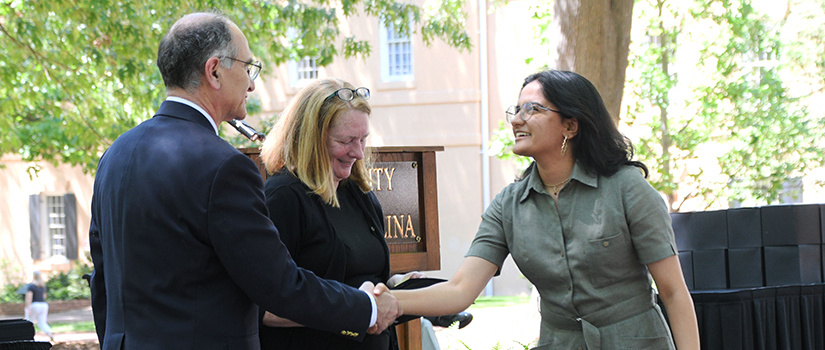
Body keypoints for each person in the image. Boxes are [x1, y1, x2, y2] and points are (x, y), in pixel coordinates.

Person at [88, 12, 401, 349]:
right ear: (214, 71)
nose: (252, 85)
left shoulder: (115, 155)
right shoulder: (223, 166)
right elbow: (278, 285)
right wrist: (366, 308)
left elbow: (102, 282)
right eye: (248, 67)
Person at [392, 70, 700, 349]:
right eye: (517, 110)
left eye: (533, 109)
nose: (516, 120)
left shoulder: (627, 188)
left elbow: (673, 292)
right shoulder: (508, 206)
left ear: (570, 125)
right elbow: (460, 290)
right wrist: (384, 300)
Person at [257, 78, 431, 349]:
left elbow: (358, 277)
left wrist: (392, 285)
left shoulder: (360, 195)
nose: (359, 153)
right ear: (311, 139)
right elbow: (266, 308)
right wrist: (357, 308)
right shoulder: (283, 198)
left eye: (363, 139)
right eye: (346, 141)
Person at [24, 271, 53, 342]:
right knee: (42, 322)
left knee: (29, 322)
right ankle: (50, 334)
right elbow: (44, 296)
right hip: (43, 305)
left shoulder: (31, 286)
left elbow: (29, 298)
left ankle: (28, 338)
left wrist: (28, 308)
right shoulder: (42, 286)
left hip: (35, 305)